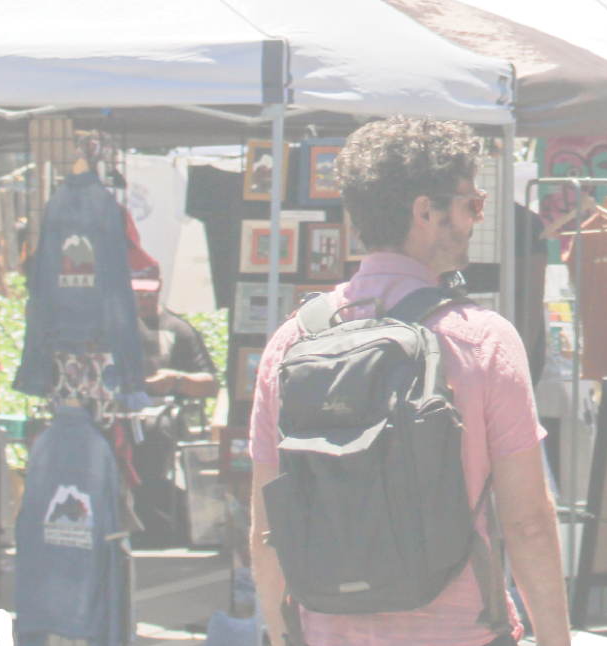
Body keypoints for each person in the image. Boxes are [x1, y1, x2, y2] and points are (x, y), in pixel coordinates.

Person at [248, 117, 570, 646]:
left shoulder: (290, 343)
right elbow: (528, 521)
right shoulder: (481, 338)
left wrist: (288, 639)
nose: (476, 218)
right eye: (471, 203)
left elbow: (268, 527)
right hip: (460, 631)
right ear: (425, 212)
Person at [130, 263, 218, 547]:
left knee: (155, 430)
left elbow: (210, 384)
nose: (142, 301)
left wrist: (176, 380)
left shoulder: (178, 330)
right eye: (136, 294)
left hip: (163, 413)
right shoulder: (117, 329)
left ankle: (154, 521)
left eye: (147, 294)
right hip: (121, 411)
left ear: (159, 290)